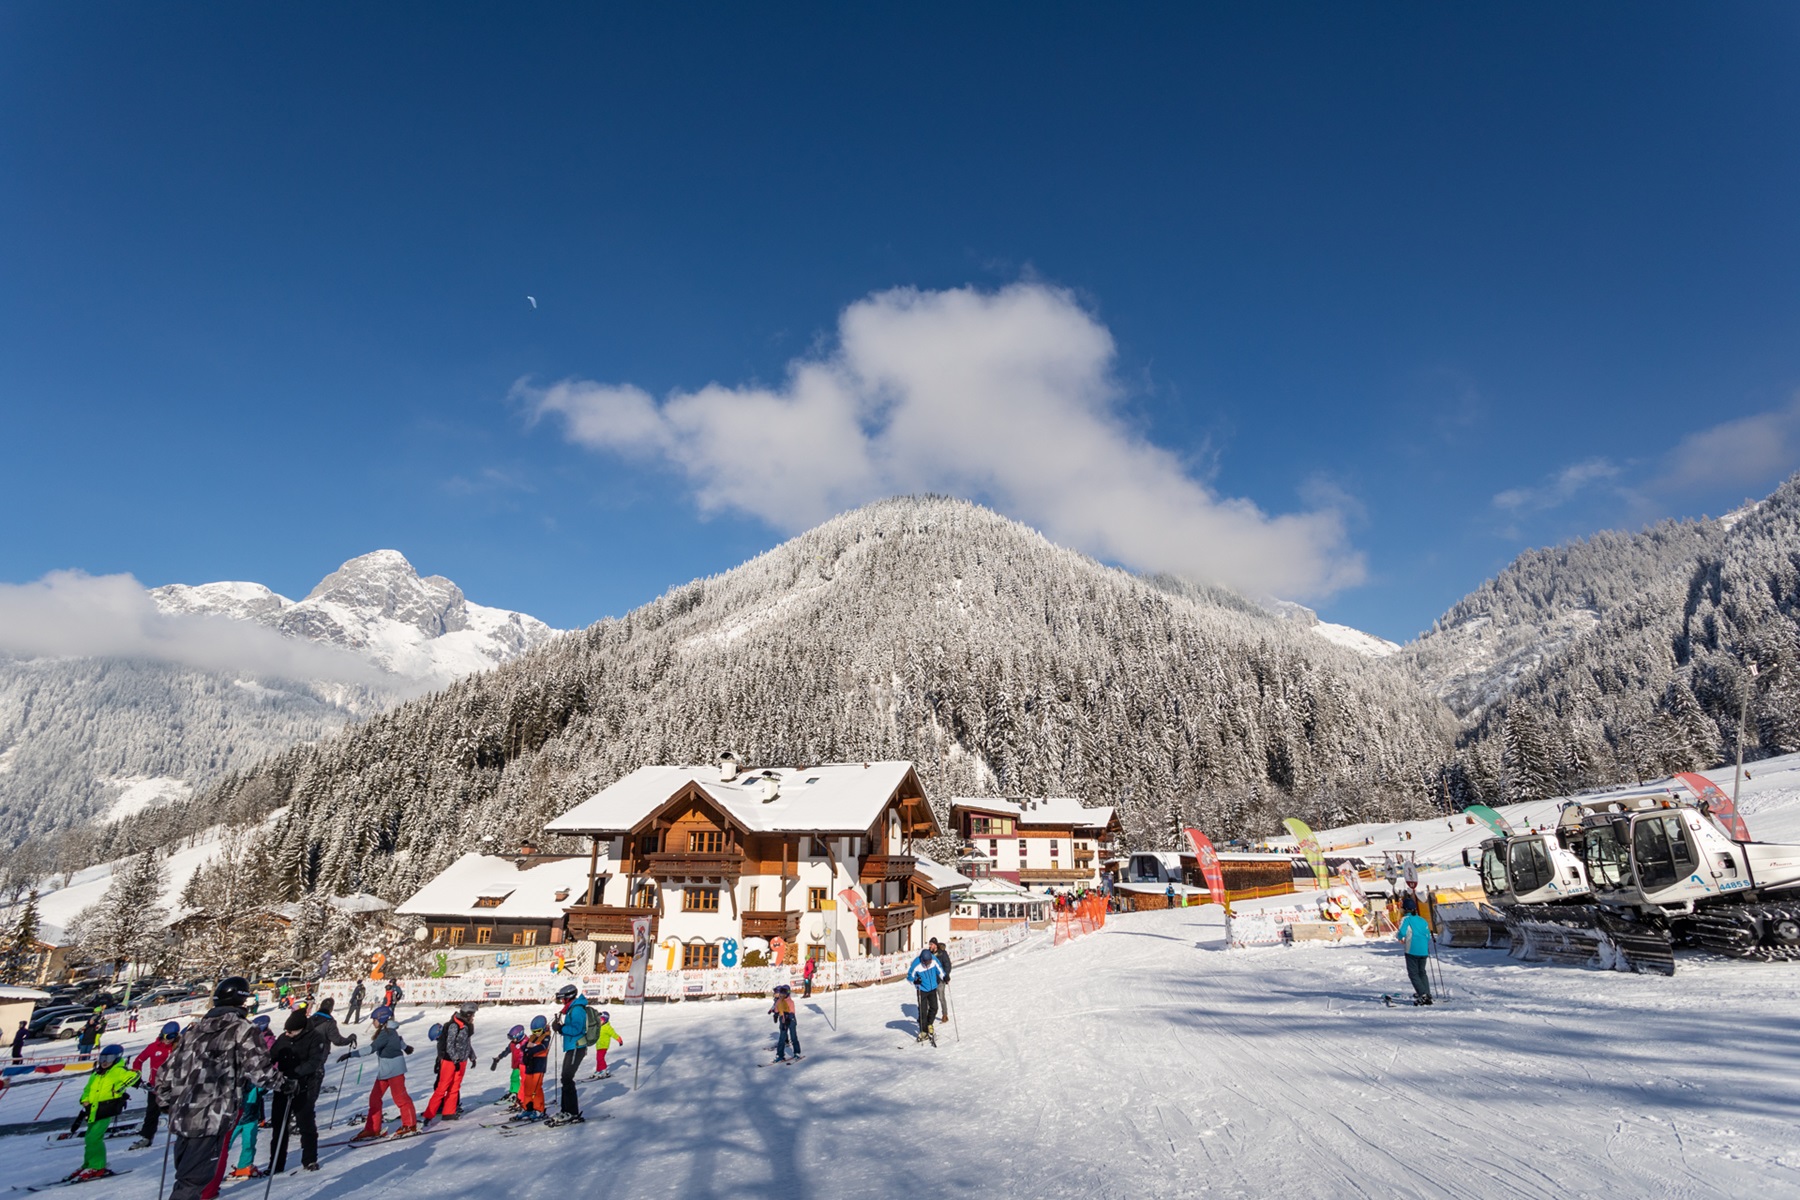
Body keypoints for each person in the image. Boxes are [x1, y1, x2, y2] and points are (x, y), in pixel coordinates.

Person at [153, 976, 284, 1200]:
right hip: (211, 1115)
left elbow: (165, 1074)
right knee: (193, 1182)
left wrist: (168, 1103)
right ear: (242, 1001)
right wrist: (284, 1083)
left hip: (183, 1115)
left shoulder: (193, 1031)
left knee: (186, 1178)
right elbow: (260, 1071)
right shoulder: (241, 1028)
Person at [65, 1043, 138, 1182]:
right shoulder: (96, 1073)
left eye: (109, 1059)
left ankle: (98, 1166)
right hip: (93, 1109)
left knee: (94, 1138)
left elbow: (134, 1076)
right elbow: (88, 1088)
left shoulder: (118, 1071)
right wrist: (84, 1100)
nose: (105, 1062)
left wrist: (120, 1088)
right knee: (89, 1138)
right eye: (102, 1058)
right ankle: (88, 1164)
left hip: (106, 1109)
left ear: (116, 1059)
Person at [343, 1004, 416, 1141]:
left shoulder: (386, 1033)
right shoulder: (389, 1031)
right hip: (385, 1071)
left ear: (381, 1019)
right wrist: (405, 1048)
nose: (373, 1022)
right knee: (374, 1098)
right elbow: (399, 1040)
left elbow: (372, 1048)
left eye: (374, 1020)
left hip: (394, 1070)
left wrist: (351, 1055)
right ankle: (372, 1129)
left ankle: (410, 1125)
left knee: (400, 1098)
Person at [270, 1009, 326, 1173]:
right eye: (285, 1031)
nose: (287, 1034)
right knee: (279, 1126)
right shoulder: (283, 1038)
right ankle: (276, 1163)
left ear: (301, 1029)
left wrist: (295, 1074)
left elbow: (314, 1062)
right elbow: (272, 1056)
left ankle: (309, 1159)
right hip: (282, 1086)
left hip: (303, 1087)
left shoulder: (315, 1038)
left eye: (291, 1031)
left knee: (306, 1124)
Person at [127, 1022, 181, 1149]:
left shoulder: (178, 1048)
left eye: (173, 1037)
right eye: (167, 1037)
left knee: (176, 1112)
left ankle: (182, 1135)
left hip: (173, 1087)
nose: (169, 1040)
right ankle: (146, 1137)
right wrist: (136, 1076)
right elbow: (138, 1060)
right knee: (151, 1113)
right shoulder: (153, 1047)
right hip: (155, 1087)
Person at [422, 1003, 476, 1124]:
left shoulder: (466, 1026)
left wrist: (472, 1057)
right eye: (472, 1015)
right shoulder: (454, 1026)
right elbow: (449, 1044)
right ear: (467, 1014)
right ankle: (429, 1114)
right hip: (450, 1061)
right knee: (442, 1087)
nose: (473, 1017)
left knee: (455, 1087)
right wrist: (455, 1059)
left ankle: (449, 1112)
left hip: (461, 1061)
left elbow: (466, 1043)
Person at [549, 984, 588, 1125]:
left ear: (568, 997)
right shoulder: (572, 1009)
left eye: (562, 999)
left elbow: (577, 1029)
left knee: (567, 1078)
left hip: (577, 1047)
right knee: (565, 1078)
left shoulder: (577, 1010)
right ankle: (566, 1110)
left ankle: (572, 1112)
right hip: (572, 1047)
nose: (561, 1001)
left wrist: (561, 1028)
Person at [1396, 894, 1434, 1005]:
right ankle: (1426, 992)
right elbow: (1427, 935)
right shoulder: (1422, 920)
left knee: (1413, 973)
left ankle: (1423, 994)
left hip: (1412, 949)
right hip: (1423, 950)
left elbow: (1402, 932)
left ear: (1405, 909)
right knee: (1422, 972)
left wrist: (1399, 938)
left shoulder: (1406, 919)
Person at [511, 1017, 550, 1122]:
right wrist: (528, 1047)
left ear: (544, 1028)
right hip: (530, 1065)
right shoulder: (532, 1037)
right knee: (528, 1088)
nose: (536, 1033)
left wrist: (531, 1047)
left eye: (538, 1031)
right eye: (534, 1031)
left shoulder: (546, 1037)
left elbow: (542, 1047)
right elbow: (524, 1047)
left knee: (536, 1088)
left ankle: (539, 1109)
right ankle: (528, 1108)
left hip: (539, 1065)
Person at [225, 1081, 266, 1179]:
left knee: (249, 1142)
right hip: (234, 1118)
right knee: (225, 1144)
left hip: (251, 1117)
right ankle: (213, 1168)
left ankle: (244, 1166)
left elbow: (263, 1088)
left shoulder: (256, 1079)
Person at [907, 948, 944, 1044]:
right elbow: (910, 976)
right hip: (922, 989)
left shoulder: (934, 960)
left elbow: (939, 969)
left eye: (929, 962)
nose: (928, 964)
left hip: (932, 988)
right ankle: (923, 1031)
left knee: (934, 1008)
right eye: (926, 962)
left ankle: (929, 1024)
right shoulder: (916, 964)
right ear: (922, 960)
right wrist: (915, 981)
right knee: (923, 1011)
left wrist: (945, 977)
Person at [490, 1025, 526, 1109]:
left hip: (523, 1065)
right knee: (513, 1077)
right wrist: (499, 1057)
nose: (512, 1040)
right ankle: (513, 1092)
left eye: (513, 1038)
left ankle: (519, 1095)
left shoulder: (525, 1042)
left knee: (519, 1079)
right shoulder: (513, 1044)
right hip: (516, 1065)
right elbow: (507, 1051)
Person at [769, 985, 801, 1063]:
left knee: (793, 1037)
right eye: (781, 994)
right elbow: (776, 1009)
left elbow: (792, 1012)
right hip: (783, 1020)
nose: (782, 996)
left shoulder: (790, 1002)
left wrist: (788, 1018)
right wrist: (775, 1015)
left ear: (787, 994)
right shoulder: (779, 1001)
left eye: (783, 994)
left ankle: (797, 1052)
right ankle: (780, 1055)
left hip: (791, 1020)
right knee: (782, 1038)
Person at [589, 1010, 622, 1079]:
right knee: (598, 1059)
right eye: (599, 1020)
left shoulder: (607, 1027)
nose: (600, 1021)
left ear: (605, 1020)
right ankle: (598, 1070)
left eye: (601, 1020)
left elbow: (614, 1034)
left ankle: (603, 1070)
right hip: (598, 1045)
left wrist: (619, 1039)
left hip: (604, 1046)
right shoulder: (599, 1027)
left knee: (600, 1058)